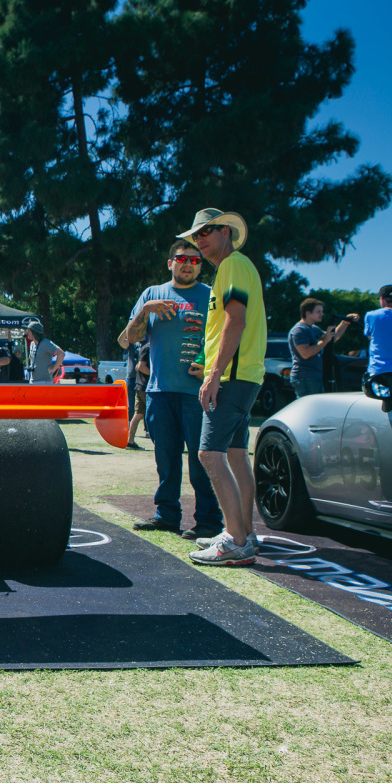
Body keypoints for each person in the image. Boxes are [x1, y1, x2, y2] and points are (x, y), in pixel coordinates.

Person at [177, 209, 267, 567]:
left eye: (206, 231)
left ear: (226, 232)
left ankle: (235, 539)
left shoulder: (232, 265)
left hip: (232, 377)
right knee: (235, 454)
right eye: (195, 234)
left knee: (209, 454)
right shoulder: (237, 266)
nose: (199, 239)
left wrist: (214, 374)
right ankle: (243, 533)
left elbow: (235, 320)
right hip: (244, 375)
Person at [120, 241, 224, 538]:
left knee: (201, 460)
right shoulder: (151, 294)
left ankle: (208, 521)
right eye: (181, 258)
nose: (188, 264)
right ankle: (166, 515)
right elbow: (129, 337)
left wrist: (208, 365)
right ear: (170, 263)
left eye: (195, 260)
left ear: (201, 265)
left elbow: (224, 336)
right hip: (159, 392)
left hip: (198, 393)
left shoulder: (211, 295)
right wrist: (145, 310)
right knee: (166, 459)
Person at [289, 298, 358, 398]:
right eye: (318, 312)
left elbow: (333, 337)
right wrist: (325, 340)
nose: (322, 314)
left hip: (315, 376)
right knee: (311, 406)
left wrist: (345, 321)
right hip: (305, 378)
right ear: (308, 313)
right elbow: (305, 353)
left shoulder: (314, 328)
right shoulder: (299, 330)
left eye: (322, 311)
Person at [126, 341, 149, 450]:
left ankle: (130, 441)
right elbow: (140, 366)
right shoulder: (148, 347)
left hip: (140, 385)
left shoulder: (145, 347)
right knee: (153, 413)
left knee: (138, 414)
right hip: (145, 386)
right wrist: (155, 374)